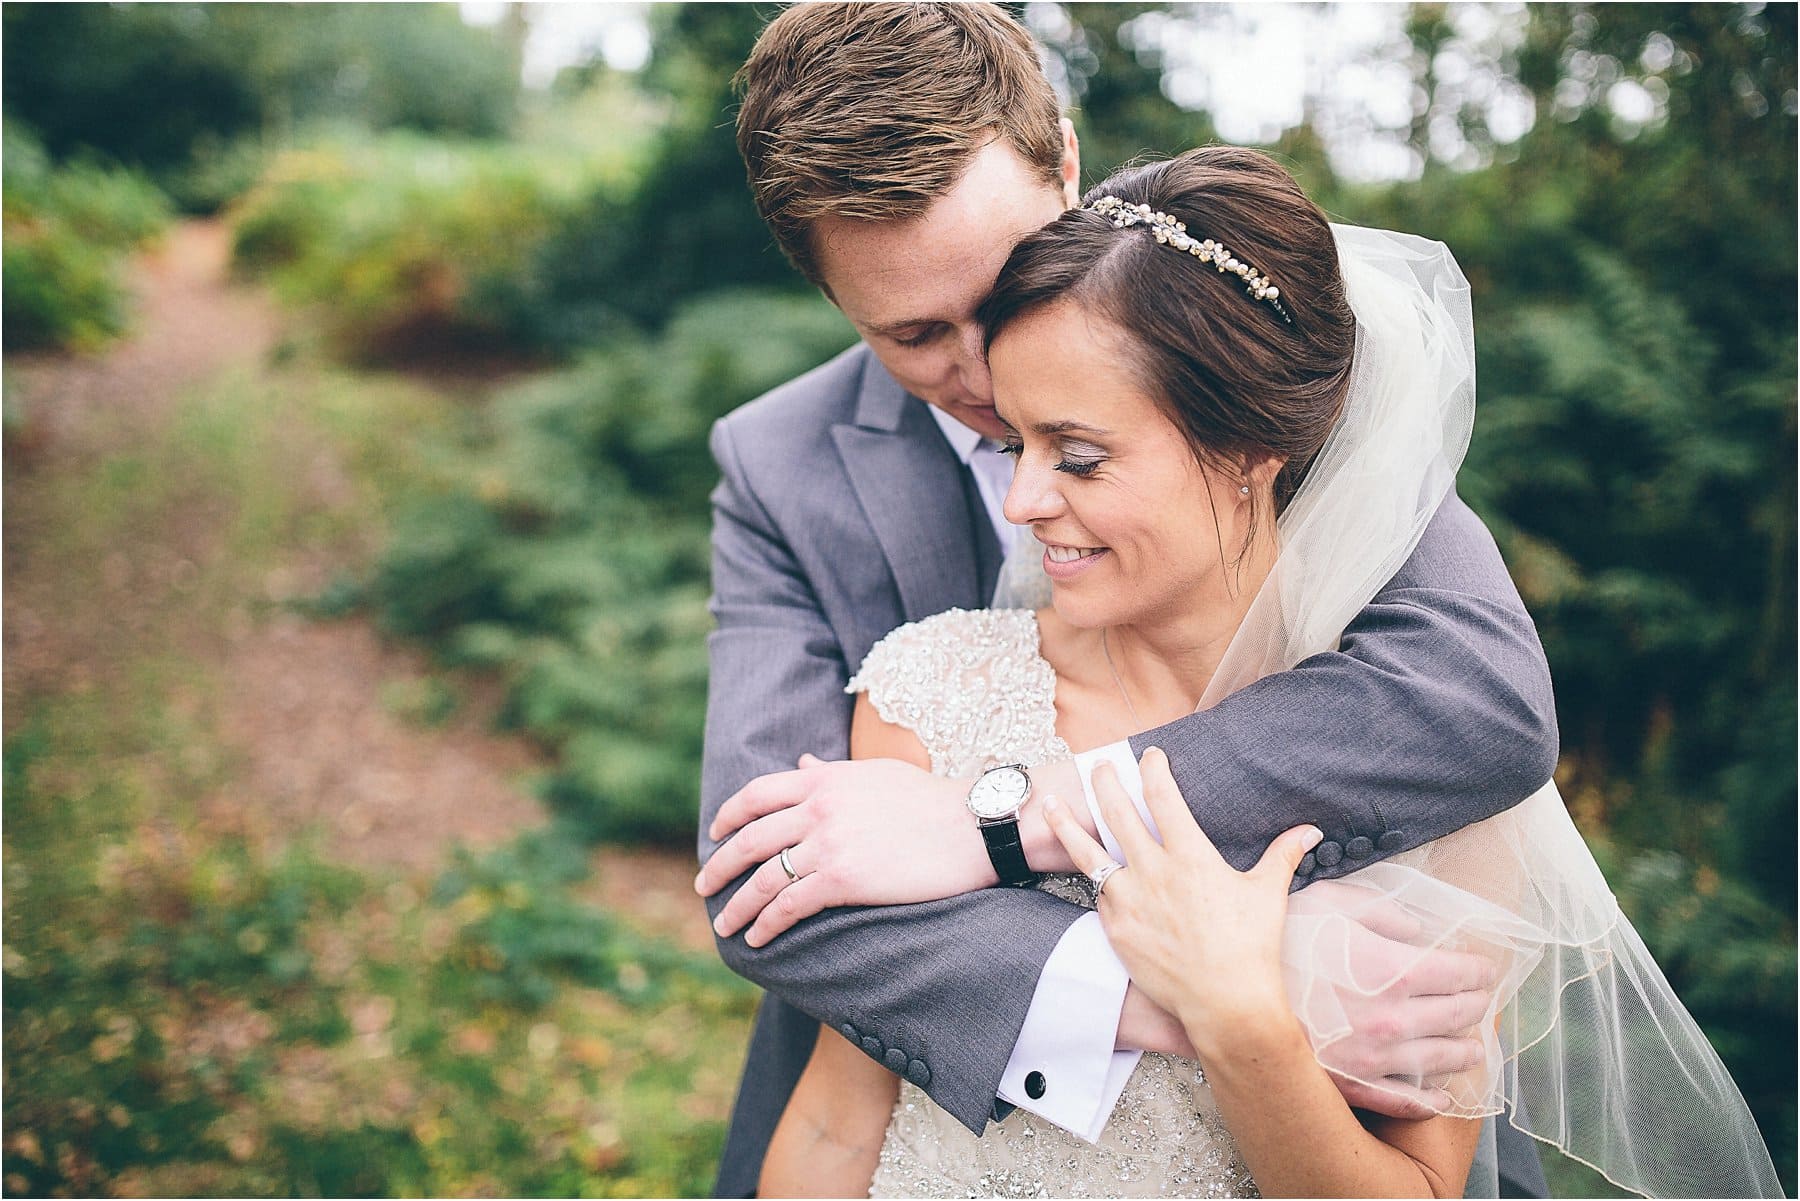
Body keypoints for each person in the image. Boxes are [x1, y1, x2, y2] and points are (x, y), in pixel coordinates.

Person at [754, 146, 1779, 1200]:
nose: (1019, 501)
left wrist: (1243, 1019)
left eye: (1079, 454)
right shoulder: (931, 693)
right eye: (1016, 442)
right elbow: (838, 1122)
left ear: (1250, 447)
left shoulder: (1426, 770)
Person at [696, 4, 1557, 1196]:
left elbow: (1478, 703)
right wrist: (1224, 982)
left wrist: (1002, 824)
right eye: (915, 335)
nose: (987, 369)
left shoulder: (1248, 381)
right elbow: (760, 880)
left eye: (1002, 290)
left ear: (1065, 160)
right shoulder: (779, 469)